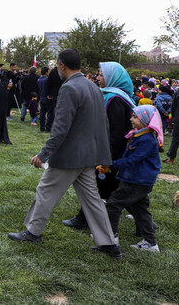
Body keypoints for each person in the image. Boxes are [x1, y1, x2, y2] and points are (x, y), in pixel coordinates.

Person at [8, 49, 120, 259]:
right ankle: (109, 243)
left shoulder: (69, 88)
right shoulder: (93, 87)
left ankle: (33, 232)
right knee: (93, 200)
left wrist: (43, 154)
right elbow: (102, 124)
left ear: (61, 65)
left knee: (45, 191)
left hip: (69, 157)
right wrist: (103, 155)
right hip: (89, 156)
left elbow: (60, 128)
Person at [62, 61, 136, 230]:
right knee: (116, 188)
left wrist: (105, 156)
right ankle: (143, 221)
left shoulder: (116, 100)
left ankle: (84, 219)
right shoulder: (113, 95)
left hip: (110, 153)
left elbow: (116, 133)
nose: (98, 77)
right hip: (110, 152)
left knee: (96, 186)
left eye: (102, 75)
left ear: (113, 78)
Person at [102, 105, 162, 252]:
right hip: (137, 180)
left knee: (113, 204)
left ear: (145, 120)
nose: (131, 119)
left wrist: (111, 164)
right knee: (140, 210)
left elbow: (132, 160)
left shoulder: (146, 140)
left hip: (137, 181)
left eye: (135, 117)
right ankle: (150, 243)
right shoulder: (138, 135)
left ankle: (110, 238)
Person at [38, 67, 51, 132]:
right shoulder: (47, 80)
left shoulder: (39, 79)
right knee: (49, 113)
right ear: (46, 72)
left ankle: (42, 127)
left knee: (42, 113)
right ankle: (48, 127)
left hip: (41, 97)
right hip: (47, 97)